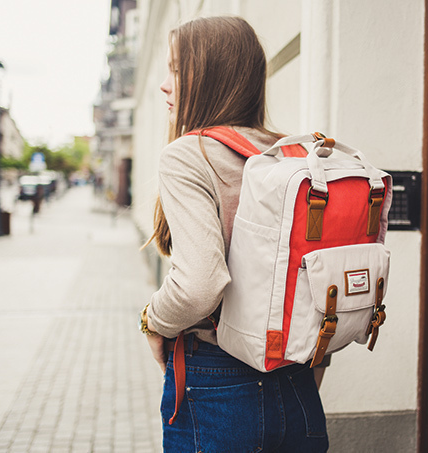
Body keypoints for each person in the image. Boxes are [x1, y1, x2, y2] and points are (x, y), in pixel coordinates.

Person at [139, 16, 329, 452]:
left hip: (216, 380)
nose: (164, 86)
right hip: (297, 383)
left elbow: (201, 283)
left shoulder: (190, 154)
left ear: (209, 75)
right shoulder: (290, 154)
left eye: (176, 70)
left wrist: (152, 319)